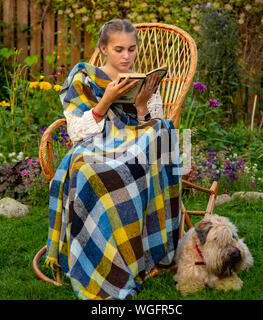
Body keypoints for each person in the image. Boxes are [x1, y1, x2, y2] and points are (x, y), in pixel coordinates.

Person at [45, 18, 182, 300]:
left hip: (136, 150)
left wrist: (142, 104)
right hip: (95, 145)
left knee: (163, 129)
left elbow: (151, 128)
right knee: (84, 169)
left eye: (131, 50)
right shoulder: (84, 78)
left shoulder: (143, 81)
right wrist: (105, 100)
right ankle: (96, 255)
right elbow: (75, 133)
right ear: (103, 49)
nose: (126, 56)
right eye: (119, 49)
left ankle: (133, 247)